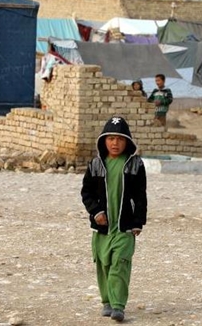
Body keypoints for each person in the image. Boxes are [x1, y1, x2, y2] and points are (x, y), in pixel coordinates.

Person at [81, 116, 147, 323]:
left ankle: (118, 305)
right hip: (102, 227)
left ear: (127, 141)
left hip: (125, 226)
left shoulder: (135, 165)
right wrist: (96, 212)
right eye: (111, 139)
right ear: (104, 141)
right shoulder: (95, 165)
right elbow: (86, 193)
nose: (115, 143)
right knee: (103, 264)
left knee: (120, 263)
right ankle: (107, 301)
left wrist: (138, 221)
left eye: (120, 139)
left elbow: (140, 195)